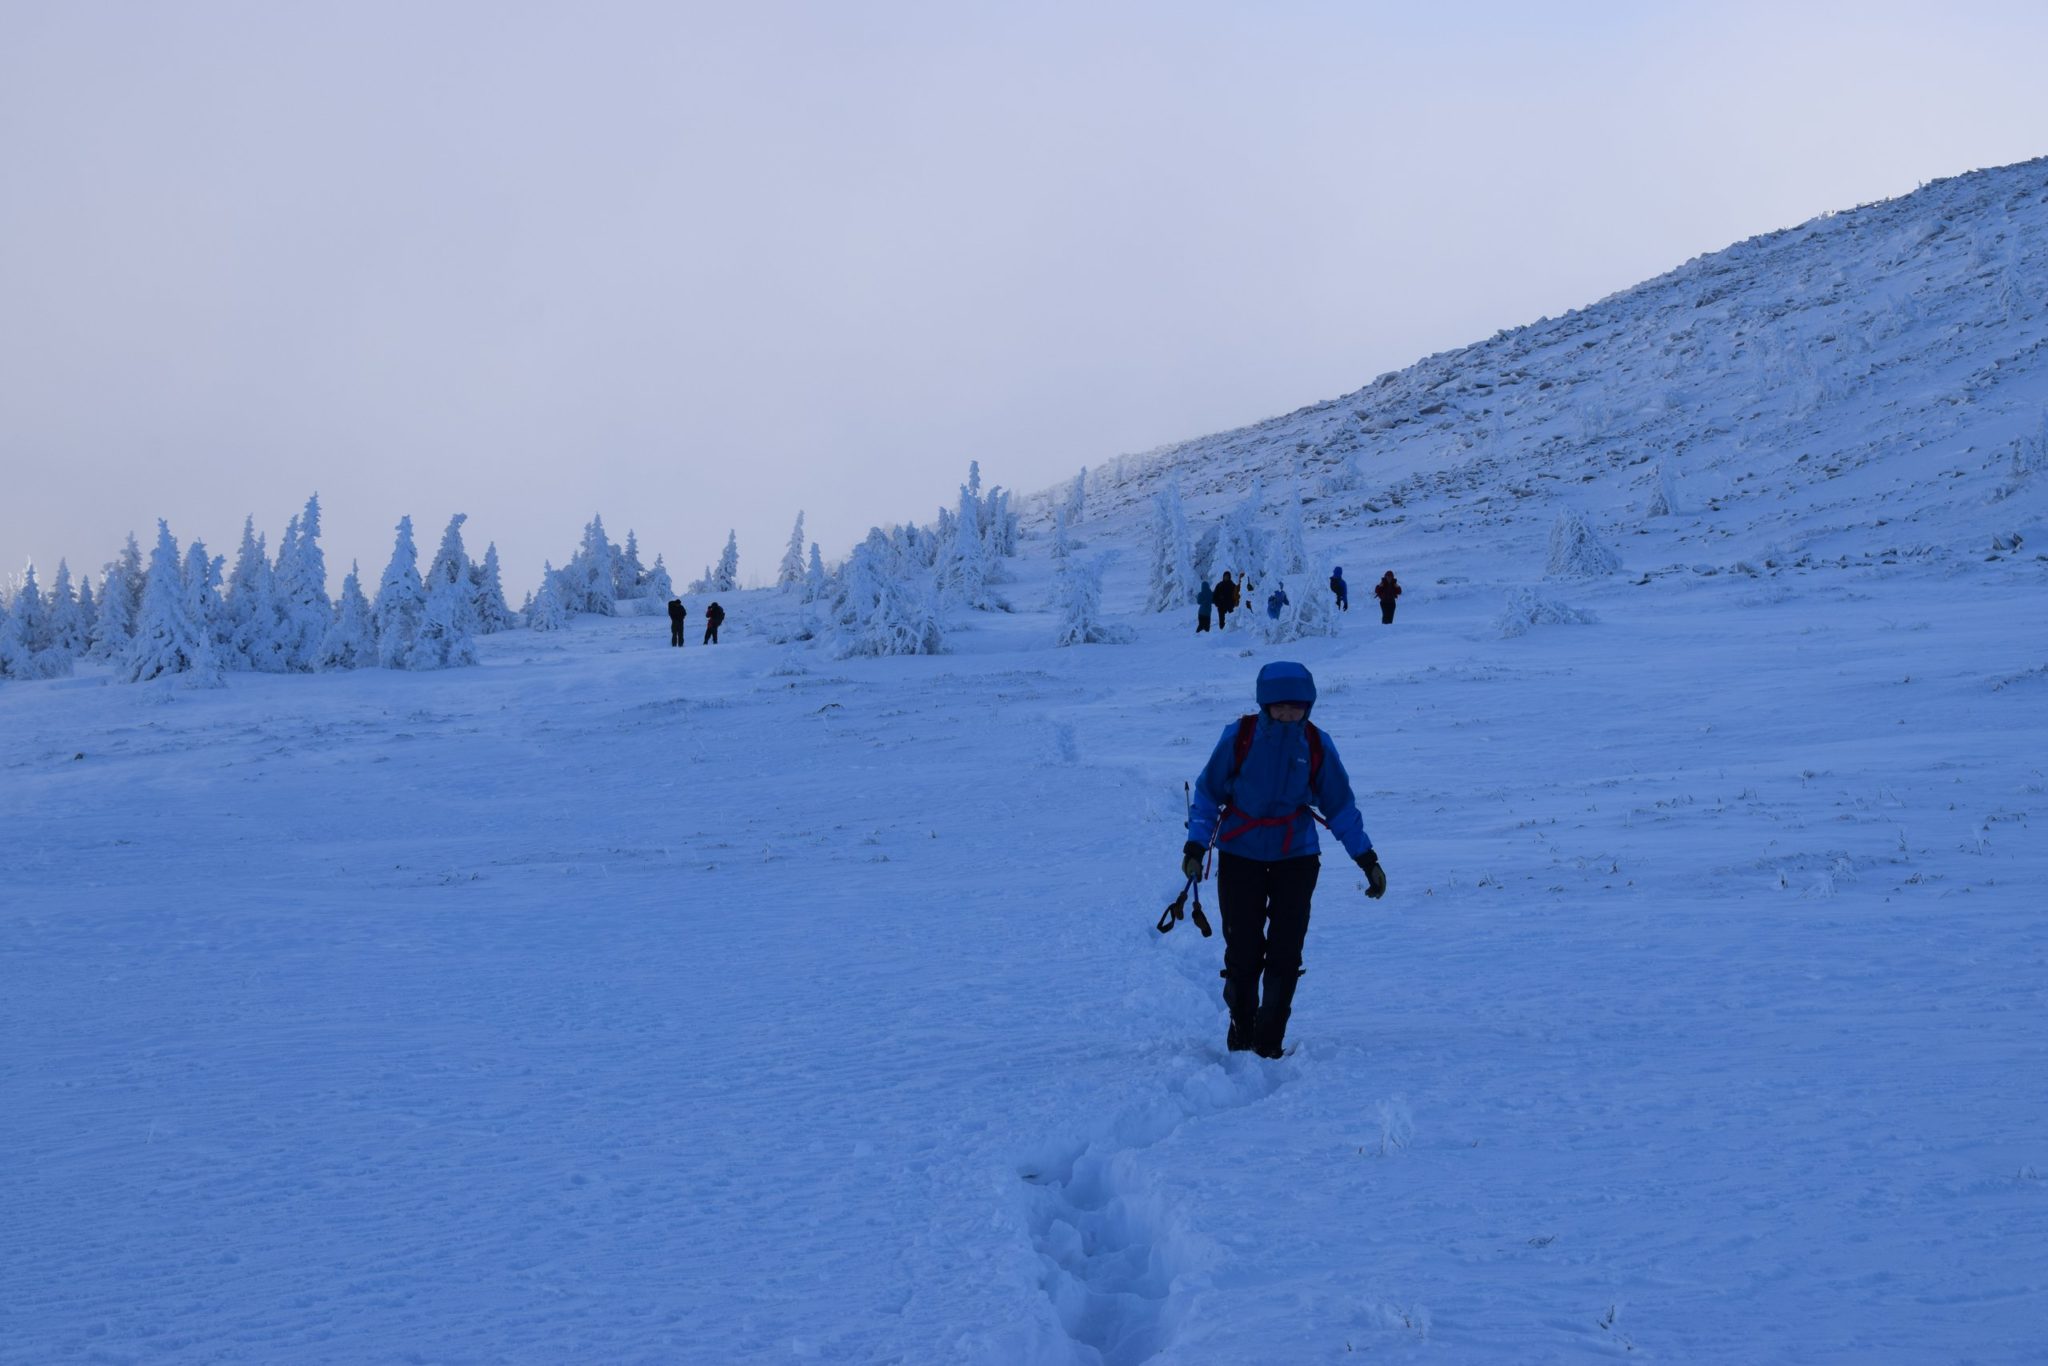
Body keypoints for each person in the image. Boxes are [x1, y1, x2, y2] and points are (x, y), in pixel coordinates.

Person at [1182, 662, 1387, 1058]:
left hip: (1296, 857)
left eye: (1297, 706)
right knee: (1242, 949)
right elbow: (1208, 795)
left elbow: (1340, 806)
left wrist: (1367, 858)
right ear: (1265, 704)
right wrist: (1195, 848)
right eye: (1280, 706)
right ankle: (1242, 1033)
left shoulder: (1315, 744)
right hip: (1240, 854)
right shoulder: (1239, 737)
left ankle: (1269, 1041)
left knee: (1286, 951)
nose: (1289, 713)